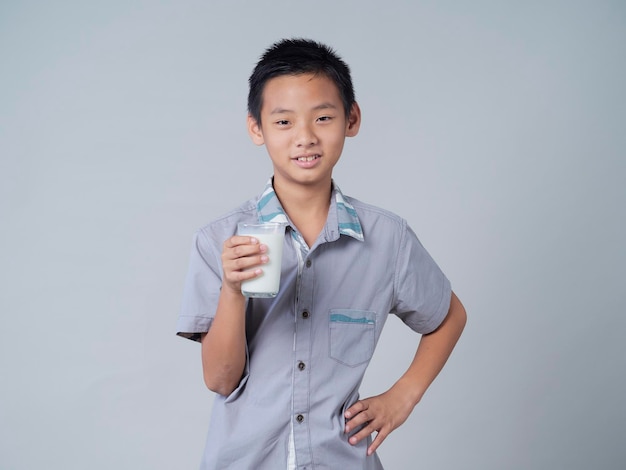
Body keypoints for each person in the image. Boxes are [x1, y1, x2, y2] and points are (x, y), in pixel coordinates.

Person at [177, 38, 467, 470]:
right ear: (256, 129)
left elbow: (448, 316)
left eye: (323, 117)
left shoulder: (387, 239)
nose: (305, 137)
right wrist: (233, 292)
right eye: (283, 122)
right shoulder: (220, 240)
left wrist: (402, 396)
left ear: (351, 119)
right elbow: (220, 380)